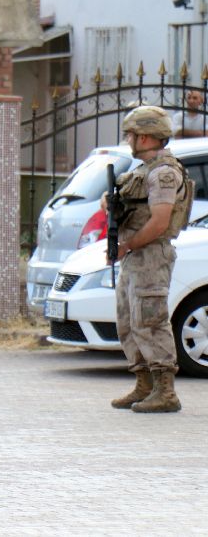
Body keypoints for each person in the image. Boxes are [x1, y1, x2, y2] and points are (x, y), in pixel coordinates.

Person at [106, 106, 193, 413]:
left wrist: (126, 245)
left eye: (130, 134)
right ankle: (144, 384)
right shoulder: (143, 170)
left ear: (144, 137)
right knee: (129, 321)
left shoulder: (164, 173)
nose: (128, 139)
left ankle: (165, 391)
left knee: (151, 320)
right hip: (136, 257)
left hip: (151, 255)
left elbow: (158, 222)